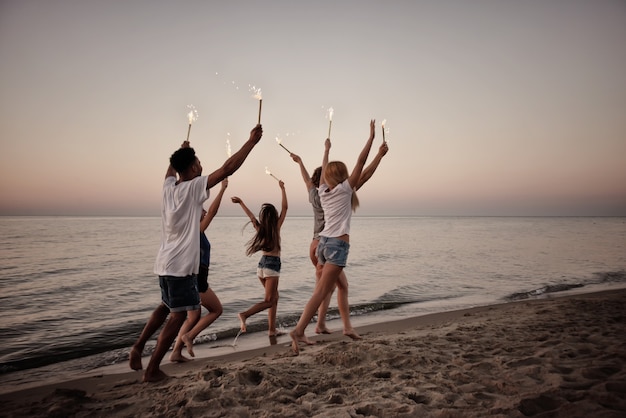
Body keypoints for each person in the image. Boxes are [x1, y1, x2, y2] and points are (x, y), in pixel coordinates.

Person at [129, 124, 263, 382]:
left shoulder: (168, 189)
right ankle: (153, 368)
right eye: (198, 163)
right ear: (192, 169)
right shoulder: (192, 189)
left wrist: (180, 152)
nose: (201, 166)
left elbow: (170, 170)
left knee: (165, 306)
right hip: (180, 267)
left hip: (164, 264)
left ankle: (137, 347)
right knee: (179, 314)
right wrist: (251, 143)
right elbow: (226, 168)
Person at [290, 120, 377, 354]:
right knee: (321, 292)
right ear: (343, 176)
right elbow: (362, 163)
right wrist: (372, 140)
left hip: (322, 245)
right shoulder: (345, 189)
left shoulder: (322, 191)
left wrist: (326, 149)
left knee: (340, 287)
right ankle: (299, 330)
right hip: (337, 244)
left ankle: (346, 327)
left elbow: (320, 172)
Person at [169, 178, 229, 363]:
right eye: (201, 210)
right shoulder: (195, 230)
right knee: (216, 309)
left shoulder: (194, 231)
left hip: (192, 277)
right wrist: (223, 189)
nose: (204, 211)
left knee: (194, 316)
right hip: (196, 278)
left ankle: (176, 353)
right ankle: (189, 337)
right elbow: (213, 211)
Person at [231, 179, 287, 337]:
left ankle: (271, 330)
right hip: (272, 266)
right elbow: (285, 207)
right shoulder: (276, 228)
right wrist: (282, 189)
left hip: (261, 267)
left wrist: (241, 202)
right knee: (269, 300)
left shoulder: (260, 228)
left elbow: (250, 216)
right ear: (274, 216)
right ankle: (245, 315)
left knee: (274, 298)